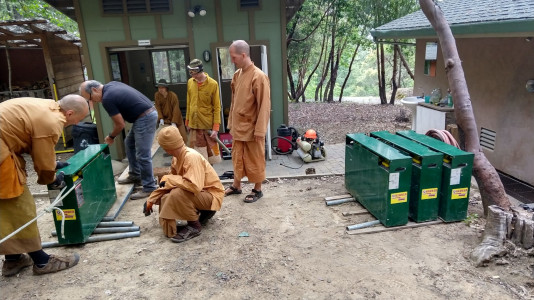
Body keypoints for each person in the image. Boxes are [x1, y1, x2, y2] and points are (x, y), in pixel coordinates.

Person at [0, 95, 88, 276]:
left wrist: (52, 163)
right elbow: (42, 163)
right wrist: (53, 178)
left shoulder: (47, 106)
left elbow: (33, 139)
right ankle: (42, 261)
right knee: (20, 207)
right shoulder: (53, 121)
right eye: (77, 120)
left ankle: (13, 259)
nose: (75, 124)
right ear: (70, 113)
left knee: (5, 209)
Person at [143, 126, 224, 243]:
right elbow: (168, 184)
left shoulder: (191, 157)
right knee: (168, 194)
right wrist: (151, 199)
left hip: (211, 196)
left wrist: (171, 179)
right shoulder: (177, 158)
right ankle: (203, 212)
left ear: (167, 148)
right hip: (202, 194)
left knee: (177, 193)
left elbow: (195, 186)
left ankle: (194, 226)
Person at [79, 80, 158, 199]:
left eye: (90, 98)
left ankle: (149, 187)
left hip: (145, 117)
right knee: (129, 143)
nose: (92, 101)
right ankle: (135, 175)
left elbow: (120, 124)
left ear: (95, 90)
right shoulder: (111, 85)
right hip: (144, 115)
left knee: (142, 154)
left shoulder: (107, 99)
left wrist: (111, 137)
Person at [224, 40, 271, 203]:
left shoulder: (259, 76)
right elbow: (234, 102)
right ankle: (236, 185)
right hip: (238, 127)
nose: (232, 60)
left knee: (255, 158)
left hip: (252, 127)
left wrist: (260, 130)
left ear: (243, 55)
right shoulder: (237, 75)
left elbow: (264, 105)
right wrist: (231, 122)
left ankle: (257, 190)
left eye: (234, 57)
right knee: (237, 157)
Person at [185, 59, 222, 164]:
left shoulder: (213, 84)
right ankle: (201, 178)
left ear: (200, 70)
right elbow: (189, 103)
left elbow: (217, 107)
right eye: (190, 72)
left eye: (194, 73)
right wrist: (187, 121)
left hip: (207, 127)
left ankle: (210, 177)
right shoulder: (190, 82)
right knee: (197, 157)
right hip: (194, 127)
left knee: (212, 156)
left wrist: (215, 128)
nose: (193, 75)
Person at [154, 79, 188, 144]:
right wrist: (160, 118)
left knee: (181, 136)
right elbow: (158, 107)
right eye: (159, 88)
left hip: (176, 118)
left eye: (162, 87)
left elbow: (176, 109)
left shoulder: (173, 95)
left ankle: (183, 150)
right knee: (167, 137)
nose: (160, 89)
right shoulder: (157, 95)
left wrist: (174, 122)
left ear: (166, 88)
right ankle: (170, 151)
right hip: (165, 119)